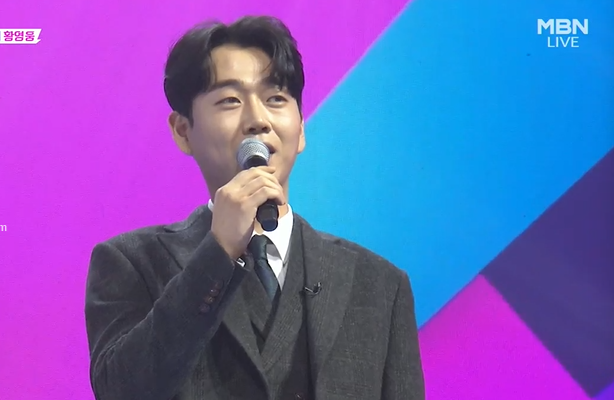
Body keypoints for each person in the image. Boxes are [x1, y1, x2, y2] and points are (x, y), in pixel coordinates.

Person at [85, 15, 425, 400]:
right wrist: (217, 253)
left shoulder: (379, 284)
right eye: (230, 101)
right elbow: (121, 391)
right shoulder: (131, 262)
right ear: (183, 131)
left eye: (275, 99)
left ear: (301, 129)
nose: (258, 120)